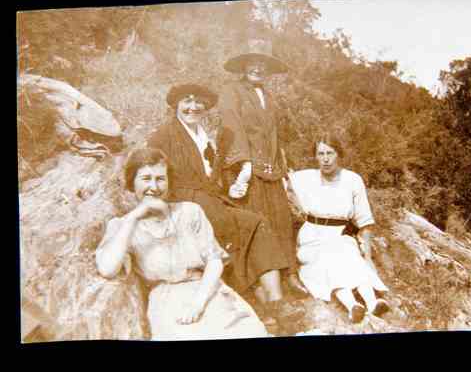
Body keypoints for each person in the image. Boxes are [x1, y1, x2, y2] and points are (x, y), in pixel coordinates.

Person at [146, 84, 303, 331]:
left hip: (210, 200)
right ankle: (260, 308)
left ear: (206, 108)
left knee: (257, 222)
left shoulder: (203, 135)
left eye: (198, 103)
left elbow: (210, 178)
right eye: (187, 102)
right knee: (227, 230)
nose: (193, 107)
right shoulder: (163, 135)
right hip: (184, 205)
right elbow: (152, 175)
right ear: (176, 104)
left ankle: (276, 303)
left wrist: (228, 191)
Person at [95, 148, 268, 340]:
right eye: (146, 178)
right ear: (131, 182)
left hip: (207, 290)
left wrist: (198, 302)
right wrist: (133, 217)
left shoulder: (189, 212)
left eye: (161, 178)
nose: (154, 186)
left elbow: (214, 261)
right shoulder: (121, 226)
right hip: (168, 301)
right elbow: (107, 269)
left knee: (250, 332)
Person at [218, 39, 308, 295]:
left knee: (280, 221)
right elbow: (232, 126)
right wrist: (244, 166)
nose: (257, 68)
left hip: (272, 169)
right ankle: (259, 283)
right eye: (252, 62)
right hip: (246, 170)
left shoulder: (269, 96)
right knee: (257, 224)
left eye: (262, 63)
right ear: (244, 65)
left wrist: (283, 168)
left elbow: (276, 135)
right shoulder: (231, 91)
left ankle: (290, 273)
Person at [286, 133, 390, 323]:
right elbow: (283, 177)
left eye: (330, 153)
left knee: (350, 255)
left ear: (339, 154)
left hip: (340, 234)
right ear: (316, 156)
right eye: (320, 153)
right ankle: (352, 305)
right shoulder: (305, 178)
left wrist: (368, 257)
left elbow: (365, 222)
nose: (325, 159)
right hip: (312, 236)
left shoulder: (352, 180)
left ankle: (372, 302)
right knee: (327, 258)